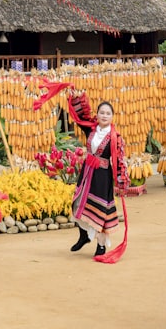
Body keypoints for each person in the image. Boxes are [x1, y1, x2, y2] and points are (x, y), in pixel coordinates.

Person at [67, 90, 126, 258]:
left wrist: (121, 180)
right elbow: (79, 117)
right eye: (102, 112)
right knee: (77, 204)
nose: (104, 116)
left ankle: (101, 246)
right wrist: (75, 98)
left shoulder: (115, 137)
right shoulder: (91, 129)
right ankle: (84, 236)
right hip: (87, 173)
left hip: (102, 177)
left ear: (112, 117)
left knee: (99, 211)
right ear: (97, 114)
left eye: (108, 113)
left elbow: (120, 160)